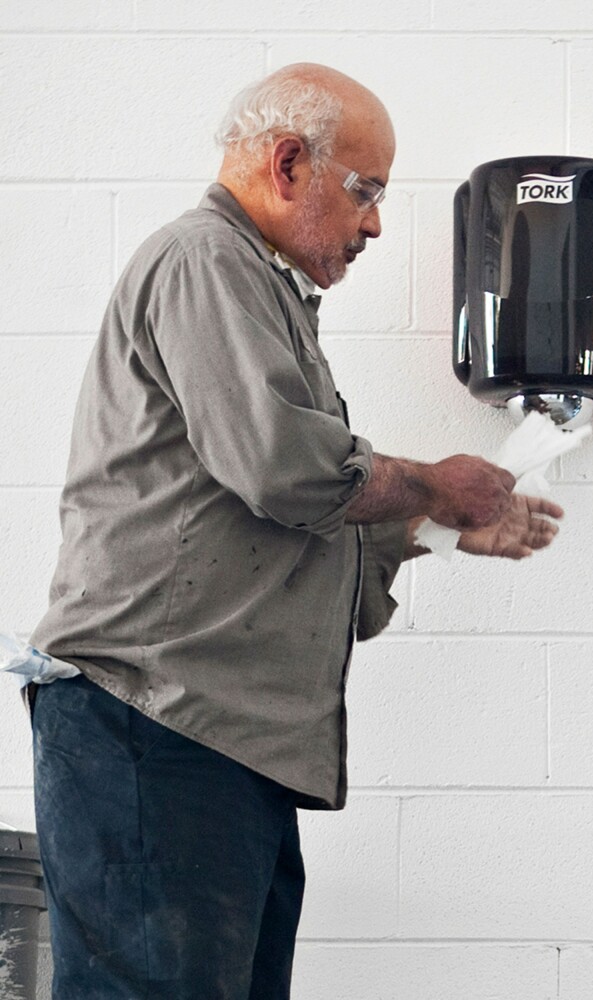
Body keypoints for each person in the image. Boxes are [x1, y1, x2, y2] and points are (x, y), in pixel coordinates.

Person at [28, 63, 563, 998]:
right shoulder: (206, 261)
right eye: (366, 191)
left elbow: (274, 516)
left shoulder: (262, 294)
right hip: (158, 731)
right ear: (285, 162)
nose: (375, 225)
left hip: (217, 747)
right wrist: (434, 483)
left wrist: (429, 527)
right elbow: (282, 469)